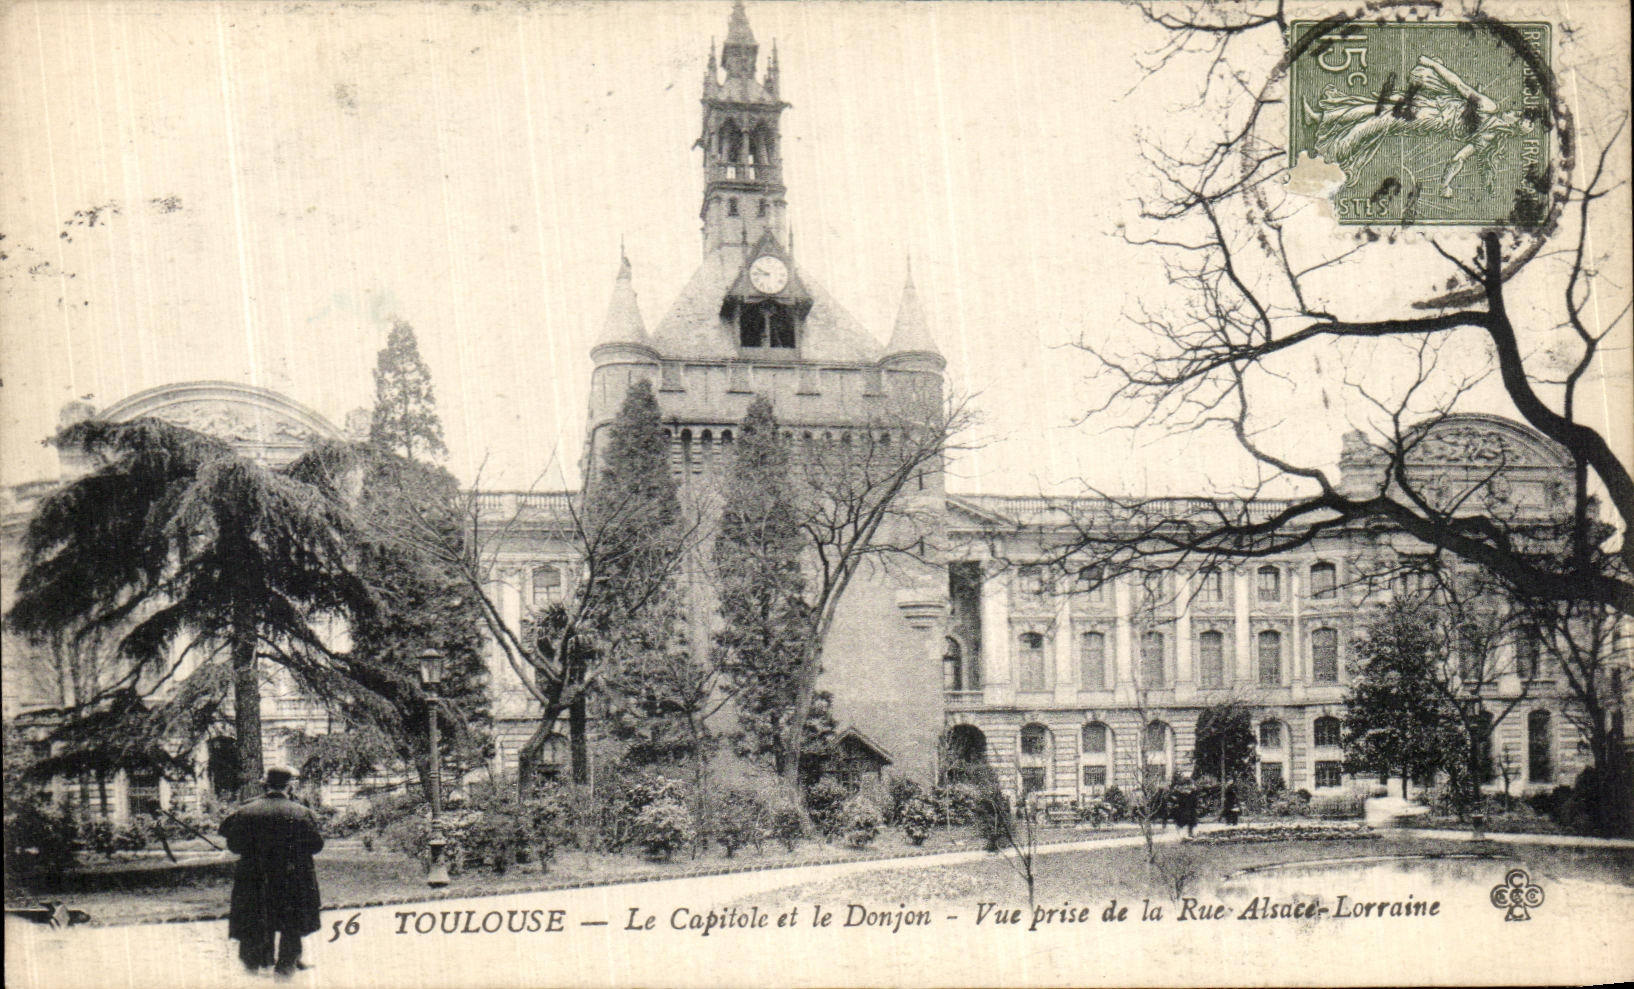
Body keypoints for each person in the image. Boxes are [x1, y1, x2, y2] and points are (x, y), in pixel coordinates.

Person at [1303, 54, 1533, 198]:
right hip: (1432, 107)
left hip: (1430, 116)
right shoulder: (1489, 138)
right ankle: (1324, 118)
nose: (1514, 111)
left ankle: (1333, 151)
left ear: (1514, 126)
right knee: (1380, 107)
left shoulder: (1489, 109)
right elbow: (1458, 159)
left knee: (1383, 118)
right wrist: (1446, 185)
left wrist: (1431, 63)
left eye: (1518, 116)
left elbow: (1458, 84)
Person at [221, 766, 324, 978]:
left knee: (254, 918)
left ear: (265, 784)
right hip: (291, 877)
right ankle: (286, 969)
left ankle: (251, 967)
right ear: (289, 786)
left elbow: (234, 845)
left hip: (254, 876)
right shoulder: (301, 813)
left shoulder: (246, 811)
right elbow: (316, 845)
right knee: (291, 923)